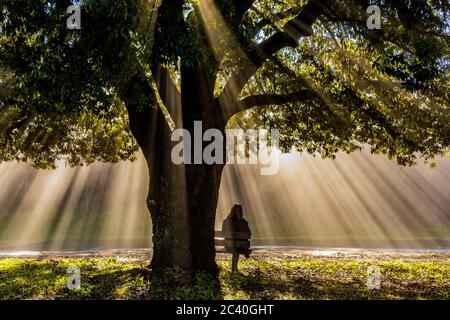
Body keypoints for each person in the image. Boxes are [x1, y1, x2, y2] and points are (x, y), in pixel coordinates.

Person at [221, 203, 252, 273]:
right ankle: (245, 252)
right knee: (238, 245)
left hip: (228, 246)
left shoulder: (225, 221)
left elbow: (223, 233)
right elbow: (249, 234)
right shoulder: (243, 222)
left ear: (231, 211)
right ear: (241, 212)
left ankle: (234, 269)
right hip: (240, 246)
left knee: (236, 244)